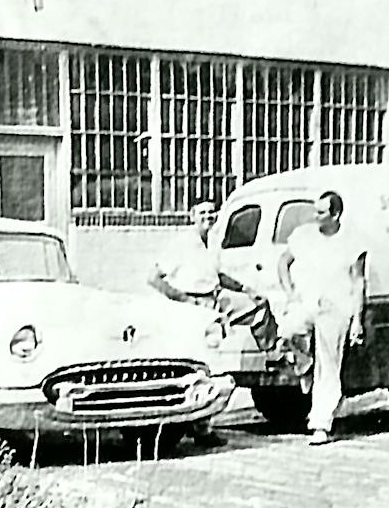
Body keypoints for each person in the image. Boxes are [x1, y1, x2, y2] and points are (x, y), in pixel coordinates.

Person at [149, 200, 267, 445]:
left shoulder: (212, 244)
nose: (208, 216)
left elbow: (217, 276)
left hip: (211, 305)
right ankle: (193, 427)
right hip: (190, 308)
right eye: (202, 212)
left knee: (210, 365)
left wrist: (246, 288)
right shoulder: (182, 243)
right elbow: (154, 277)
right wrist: (183, 300)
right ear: (192, 215)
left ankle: (202, 426)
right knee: (193, 366)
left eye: (212, 212)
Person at [278, 190, 367, 447]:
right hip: (306, 303)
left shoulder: (353, 241)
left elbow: (358, 281)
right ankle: (305, 367)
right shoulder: (303, 236)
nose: (315, 217)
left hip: (336, 307)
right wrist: (290, 292)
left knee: (329, 367)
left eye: (321, 212)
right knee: (288, 332)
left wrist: (357, 319)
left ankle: (321, 424)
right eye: (315, 211)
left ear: (336, 214)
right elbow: (283, 262)